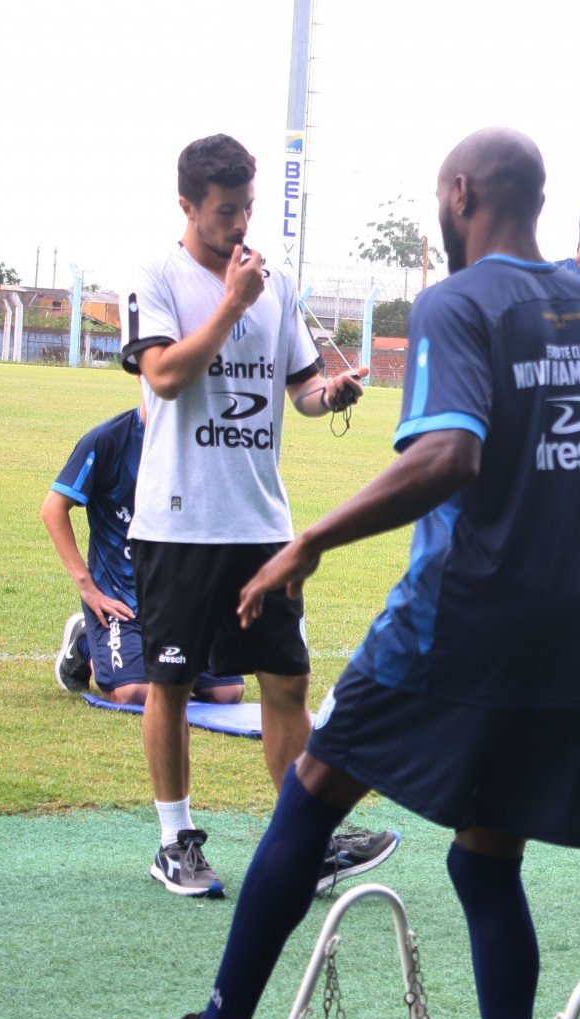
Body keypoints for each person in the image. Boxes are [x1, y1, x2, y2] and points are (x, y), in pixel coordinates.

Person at [108, 128, 580, 1019]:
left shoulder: (456, 303)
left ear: (457, 194)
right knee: (486, 863)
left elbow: (449, 455)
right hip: (572, 634)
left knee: (309, 795)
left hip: (460, 617)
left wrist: (308, 541)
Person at [120, 133, 390, 899]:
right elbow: (166, 376)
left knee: (286, 680)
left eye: (246, 209)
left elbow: (301, 387)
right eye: (223, 213)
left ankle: (305, 838)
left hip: (262, 524)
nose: (239, 227)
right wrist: (231, 303)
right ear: (187, 207)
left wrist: (328, 396)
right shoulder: (157, 275)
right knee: (171, 682)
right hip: (178, 523)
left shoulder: (276, 283)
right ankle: (176, 841)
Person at [42, 405, 244, 707]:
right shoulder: (107, 440)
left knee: (226, 693)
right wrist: (86, 586)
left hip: (180, 604)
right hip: (121, 602)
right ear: (140, 374)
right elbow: (52, 509)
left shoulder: (204, 440)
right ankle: (85, 642)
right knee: (134, 693)